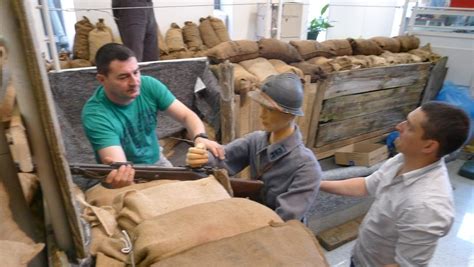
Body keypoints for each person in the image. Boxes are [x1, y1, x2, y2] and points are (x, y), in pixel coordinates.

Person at [319, 101, 470, 267]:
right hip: (362, 257)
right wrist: (318, 183)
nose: (399, 126)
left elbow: (406, 265)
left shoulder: (426, 206)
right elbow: (366, 185)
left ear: (429, 146)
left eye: (410, 127)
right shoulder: (404, 158)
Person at [82, 43, 224, 188]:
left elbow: (187, 116)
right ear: (101, 79)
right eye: (123, 77)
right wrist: (123, 179)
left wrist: (200, 137)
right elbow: (121, 169)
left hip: (158, 162)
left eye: (136, 72)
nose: (134, 82)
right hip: (128, 175)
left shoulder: (148, 85)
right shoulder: (96, 115)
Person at [186, 73, 322, 222]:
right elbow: (225, 157)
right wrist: (203, 158)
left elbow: (285, 219)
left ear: (290, 115)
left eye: (270, 110)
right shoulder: (256, 140)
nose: (262, 115)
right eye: (262, 107)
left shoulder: (307, 167)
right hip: (253, 215)